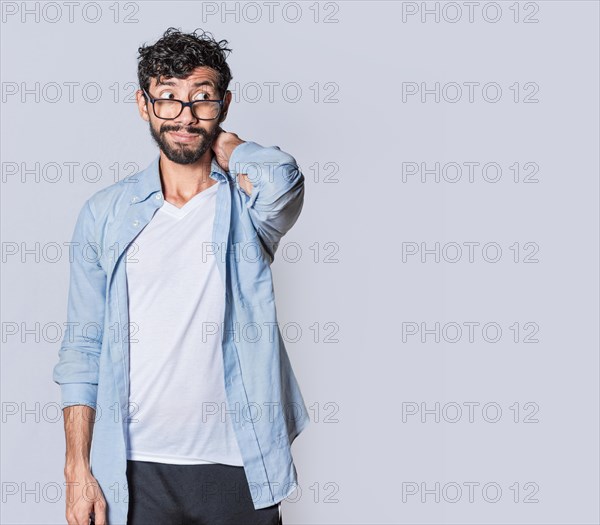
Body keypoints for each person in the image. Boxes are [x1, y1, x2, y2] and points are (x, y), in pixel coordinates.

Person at [53, 27, 310, 525]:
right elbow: (82, 347)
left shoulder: (248, 206)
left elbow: (286, 179)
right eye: (168, 98)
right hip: (133, 467)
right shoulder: (106, 213)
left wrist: (232, 148)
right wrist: (77, 471)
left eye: (202, 99)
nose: (185, 116)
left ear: (224, 104)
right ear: (143, 104)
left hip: (238, 461)